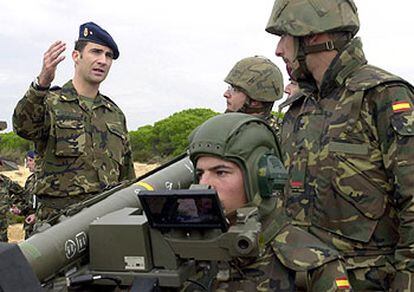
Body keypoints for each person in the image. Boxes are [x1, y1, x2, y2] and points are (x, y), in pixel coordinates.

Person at [265, 0, 414, 290]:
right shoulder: (298, 109)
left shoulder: (382, 97)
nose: (279, 49)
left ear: (311, 35)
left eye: (284, 36)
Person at [184, 113, 351, 291]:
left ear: (260, 177)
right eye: (200, 174)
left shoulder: (313, 266)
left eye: (221, 172)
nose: (204, 185)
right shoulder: (192, 258)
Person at [13, 22, 136, 227]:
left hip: (106, 223)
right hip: (58, 227)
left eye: (108, 56)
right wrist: (42, 83)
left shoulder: (114, 114)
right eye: (96, 52)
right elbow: (23, 126)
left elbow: (127, 176)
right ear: (76, 56)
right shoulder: (50, 102)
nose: (102, 61)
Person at [223, 56, 284, 133]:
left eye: (235, 90)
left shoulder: (275, 136)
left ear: (255, 101)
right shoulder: (225, 125)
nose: (226, 94)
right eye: (230, 88)